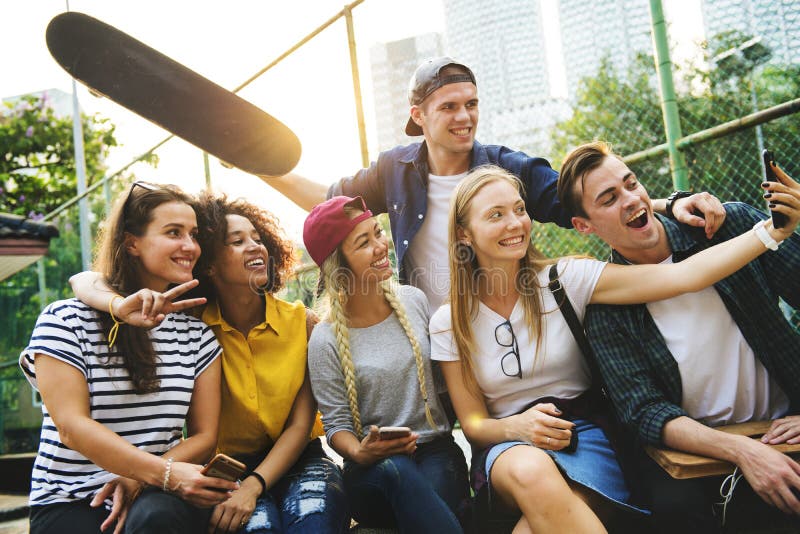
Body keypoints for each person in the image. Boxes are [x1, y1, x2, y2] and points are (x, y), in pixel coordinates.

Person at [429, 164, 800, 533]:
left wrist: (771, 232)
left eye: (519, 209)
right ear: (464, 234)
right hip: (509, 446)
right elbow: (474, 424)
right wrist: (518, 426)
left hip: (583, 436)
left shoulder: (566, 280)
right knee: (531, 471)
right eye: (496, 215)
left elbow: (682, 276)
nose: (515, 223)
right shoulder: (450, 321)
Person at [260, 56, 725, 308]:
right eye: (448, 107)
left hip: (504, 322)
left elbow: (580, 202)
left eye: (472, 104)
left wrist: (665, 204)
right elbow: (327, 203)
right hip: (434, 331)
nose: (465, 117)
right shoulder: (393, 170)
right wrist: (261, 166)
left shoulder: (505, 167)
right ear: (418, 116)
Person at [557, 141, 800, 533]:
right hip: (706, 457)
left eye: (632, 184)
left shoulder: (731, 228)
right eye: (609, 198)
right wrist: (745, 452)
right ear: (584, 226)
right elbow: (645, 411)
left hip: (786, 427)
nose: (632, 199)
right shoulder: (604, 308)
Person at [71, 193, 350, 534]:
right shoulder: (191, 327)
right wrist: (115, 304)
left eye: (258, 239)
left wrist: (254, 486)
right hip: (223, 469)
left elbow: (299, 426)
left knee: (314, 524)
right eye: (237, 241)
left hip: (298, 458)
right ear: (211, 264)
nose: (254, 247)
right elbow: (84, 280)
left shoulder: (302, 324)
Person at [20, 182, 236, 534]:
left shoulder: (197, 336)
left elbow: (204, 436)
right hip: (69, 497)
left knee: (157, 519)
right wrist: (161, 472)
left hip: (154, 493)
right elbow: (71, 427)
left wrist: (143, 477)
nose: (190, 246)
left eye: (193, 234)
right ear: (131, 242)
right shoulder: (64, 320)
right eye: (173, 232)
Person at [303, 195, 470, 533]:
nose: (381, 246)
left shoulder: (414, 301)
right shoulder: (325, 340)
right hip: (372, 470)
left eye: (378, 232)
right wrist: (362, 453)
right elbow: (336, 427)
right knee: (398, 471)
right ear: (339, 264)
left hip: (435, 450)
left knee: (433, 498)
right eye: (364, 242)